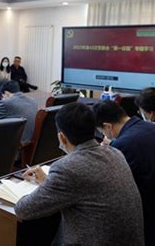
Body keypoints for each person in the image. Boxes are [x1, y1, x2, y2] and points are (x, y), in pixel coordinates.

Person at [15, 103, 144, 245]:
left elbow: (23, 210)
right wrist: (48, 181)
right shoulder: (115, 152)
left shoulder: (68, 168)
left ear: (62, 138)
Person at [93, 101, 155, 245]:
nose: (104, 135)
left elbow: (111, 189)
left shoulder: (123, 145)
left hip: (152, 226)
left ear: (107, 126)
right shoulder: (153, 128)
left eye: (102, 131)